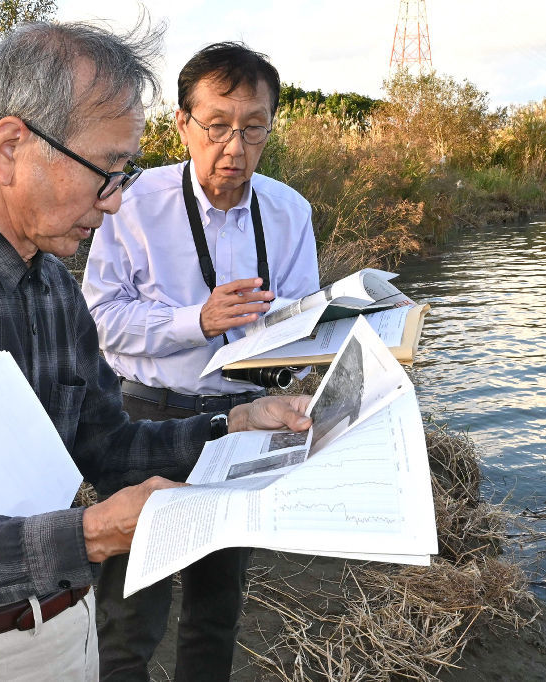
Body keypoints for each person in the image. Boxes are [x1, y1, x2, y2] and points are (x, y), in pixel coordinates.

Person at [0, 23, 313, 681]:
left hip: (70, 628)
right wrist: (92, 535)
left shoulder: (51, 283)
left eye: (125, 172)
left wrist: (233, 426)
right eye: (105, 171)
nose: (114, 201)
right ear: (12, 145)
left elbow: (106, 447)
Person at [82, 42, 320, 681]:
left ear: (272, 125)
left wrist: (319, 347)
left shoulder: (291, 213)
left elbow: (303, 332)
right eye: (217, 126)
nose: (234, 148)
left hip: (243, 419)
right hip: (147, 419)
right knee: (132, 609)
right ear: (183, 124)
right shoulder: (131, 205)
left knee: (218, 607)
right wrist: (200, 320)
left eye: (253, 128)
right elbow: (101, 320)